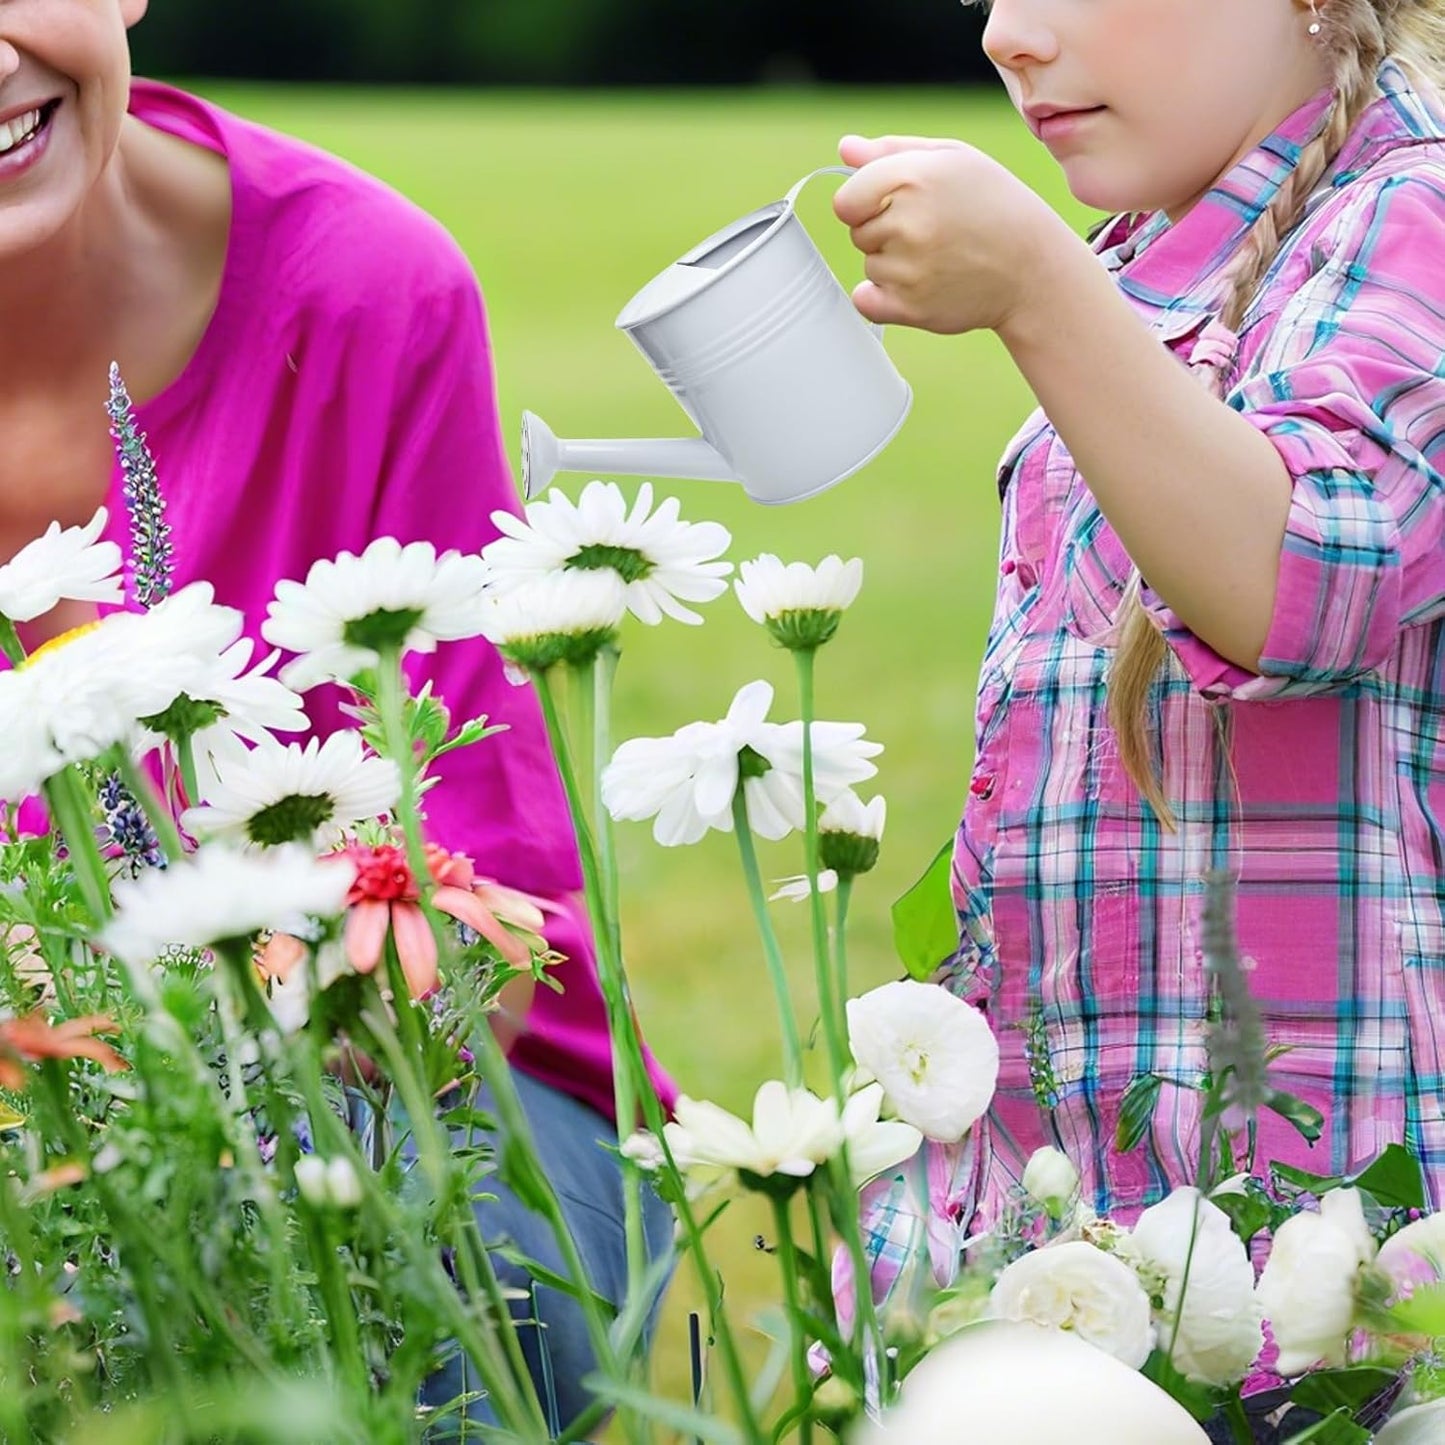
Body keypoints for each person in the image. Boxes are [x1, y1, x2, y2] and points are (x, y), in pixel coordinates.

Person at [0, 1, 673, 1433]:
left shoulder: (363, 291)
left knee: (329, 1216)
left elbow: (476, 896)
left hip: (427, 1090)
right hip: (44, 1124)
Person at [833, 0, 1445, 1424]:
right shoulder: (1156, 270)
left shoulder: (1414, 220)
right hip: (1101, 1221)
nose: (1003, 34)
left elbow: (1296, 576)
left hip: (1342, 1256)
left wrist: (1042, 295)